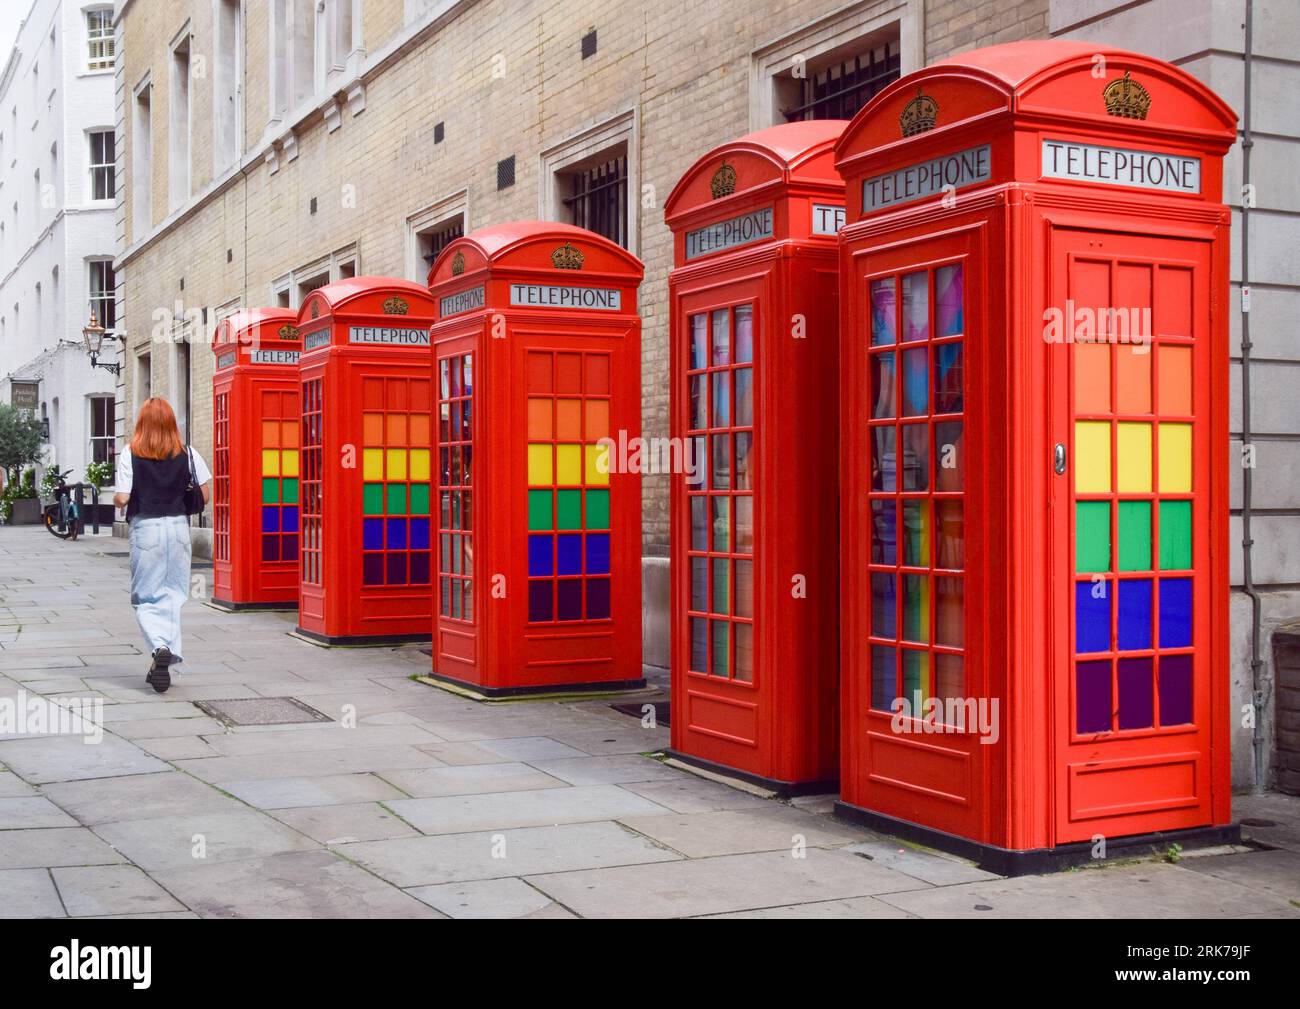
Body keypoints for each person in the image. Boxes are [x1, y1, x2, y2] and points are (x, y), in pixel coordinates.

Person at [113, 398, 211, 693]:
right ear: (171, 423)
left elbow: (123, 497)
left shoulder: (131, 453)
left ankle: (159, 647)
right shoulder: (188, 453)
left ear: (142, 423)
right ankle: (163, 655)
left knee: (145, 598)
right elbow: (204, 494)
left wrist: (119, 500)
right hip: (179, 529)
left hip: (147, 530)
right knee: (173, 595)